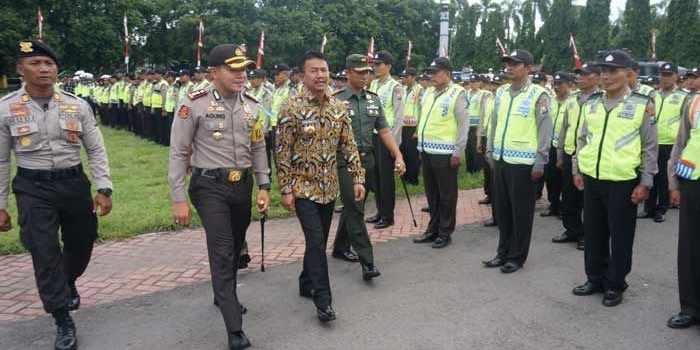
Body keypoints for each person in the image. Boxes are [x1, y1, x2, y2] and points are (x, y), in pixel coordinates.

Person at [0, 40, 113, 350]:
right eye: (35, 63)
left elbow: (96, 149)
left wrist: (104, 188)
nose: (43, 69)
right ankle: (62, 317)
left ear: (56, 68)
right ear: (20, 69)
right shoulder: (6, 108)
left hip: (74, 184)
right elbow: (0, 160)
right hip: (32, 188)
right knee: (44, 250)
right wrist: (1, 205)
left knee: (82, 243)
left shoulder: (77, 105)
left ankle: (67, 281)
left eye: (48, 63)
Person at [169, 44, 270, 350]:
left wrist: (264, 185)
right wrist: (178, 197)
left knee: (237, 242)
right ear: (214, 73)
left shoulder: (252, 105)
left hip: (242, 187)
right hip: (208, 186)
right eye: (234, 69)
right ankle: (234, 329)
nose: (242, 75)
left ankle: (220, 289)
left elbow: (258, 148)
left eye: (244, 69)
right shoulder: (193, 104)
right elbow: (178, 151)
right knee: (223, 250)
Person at [275, 51, 365, 323]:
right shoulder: (291, 108)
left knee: (319, 241)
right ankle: (323, 300)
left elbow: (349, 145)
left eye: (324, 70)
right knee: (316, 242)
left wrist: (358, 177)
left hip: (329, 188)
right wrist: (286, 188)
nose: (321, 75)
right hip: (303, 189)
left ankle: (305, 281)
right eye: (314, 71)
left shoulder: (339, 107)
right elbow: (281, 151)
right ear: (302, 76)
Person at [571, 50, 658, 307]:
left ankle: (615, 283)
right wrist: (577, 169)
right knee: (594, 232)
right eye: (604, 72)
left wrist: (646, 182)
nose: (607, 77)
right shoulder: (592, 103)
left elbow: (650, 147)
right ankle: (595, 278)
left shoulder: (643, 105)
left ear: (628, 74)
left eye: (613, 71)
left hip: (623, 182)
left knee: (620, 236)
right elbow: (581, 138)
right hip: (593, 179)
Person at [331, 54, 406, 278]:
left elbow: (383, 130)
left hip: (367, 159)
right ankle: (367, 262)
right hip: (343, 161)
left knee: (354, 206)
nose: (365, 76)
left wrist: (398, 155)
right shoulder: (335, 99)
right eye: (359, 72)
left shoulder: (373, 99)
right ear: (348, 73)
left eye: (367, 72)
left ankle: (340, 248)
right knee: (355, 209)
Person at [483, 50, 552, 273]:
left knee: (520, 213)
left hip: (524, 164)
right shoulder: (501, 92)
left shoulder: (538, 95)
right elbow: (494, 122)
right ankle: (502, 252)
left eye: (515, 64)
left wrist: (540, 161)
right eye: (507, 64)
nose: (509, 67)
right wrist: (490, 149)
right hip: (501, 160)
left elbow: (545, 130)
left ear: (529, 68)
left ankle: (516, 256)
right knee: (502, 211)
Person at [411, 57, 468, 249]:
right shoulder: (428, 92)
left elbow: (463, 126)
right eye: (431, 72)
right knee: (432, 194)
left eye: (436, 72)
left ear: (448, 73)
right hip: (427, 150)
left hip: (446, 153)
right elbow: (424, 119)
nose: (432, 76)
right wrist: (421, 146)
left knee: (446, 195)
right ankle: (432, 228)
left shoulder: (457, 93)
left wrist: (457, 152)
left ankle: (445, 231)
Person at [553, 63, 601, 250]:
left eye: (585, 75)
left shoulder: (601, 99)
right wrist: (559, 153)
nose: (580, 78)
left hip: (588, 155)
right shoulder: (572, 100)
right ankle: (572, 229)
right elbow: (565, 128)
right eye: (579, 75)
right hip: (569, 151)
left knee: (586, 198)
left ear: (597, 77)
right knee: (569, 194)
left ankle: (588, 234)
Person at [666, 91, 700, 329]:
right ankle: (690, 307)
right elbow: (682, 142)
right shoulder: (694, 101)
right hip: (693, 181)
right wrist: (673, 183)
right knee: (690, 248)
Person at [638, 62, 687, 223]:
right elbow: (649, 115)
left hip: (670, 143)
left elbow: (685, 121)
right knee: (651, 173)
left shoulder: (682, 97)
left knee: (665, 178)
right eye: (663, 75)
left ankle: (661, 209)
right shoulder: (653, 95)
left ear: (676, 77)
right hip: (653, 141)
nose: (665, 78)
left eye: (669, 75)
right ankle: (649, 208)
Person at [366, 50, 404, 229]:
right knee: (376, 177)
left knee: (386, 178)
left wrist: (394, 145)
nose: (375, 67)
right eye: (374, 64)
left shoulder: (395, 87)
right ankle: (380, 211)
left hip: (386, 137)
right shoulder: (373, 84)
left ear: (388, 66)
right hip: (372, 136)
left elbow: (398, 117)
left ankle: (388, 216)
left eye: (379, 64)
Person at [541, 72, 576, 218]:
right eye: (555, 84)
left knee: (565, 181)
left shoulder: (574, 101)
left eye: (560, 84)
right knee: (551, 178)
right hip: (551, 146)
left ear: (569, 85)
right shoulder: (551, 101)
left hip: (567, 147)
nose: (556, 87)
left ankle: (565, 208)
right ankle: (553, 205)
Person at [399, 67, 422, 185]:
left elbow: (421, 110)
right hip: (402, 126)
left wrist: (418, 130)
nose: (404, 79)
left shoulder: (419, 90)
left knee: (413, 154)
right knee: (403, 152)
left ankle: (413, 178)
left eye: (407, 77)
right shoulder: (402, 89)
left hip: (413, 126)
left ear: (413, 77)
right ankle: (405, 176)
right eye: (403, 77)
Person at [466, 74, 486, 174]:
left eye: (475, 82)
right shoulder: (466, 93)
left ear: (479, 83)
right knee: (468, 148)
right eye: (471, 82)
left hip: (477, 125)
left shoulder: (483, 94)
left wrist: (481, 127)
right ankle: (469, 169)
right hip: (467, 125)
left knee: (476, 148)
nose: (473, 84)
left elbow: (483, 111)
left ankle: (477, 169)